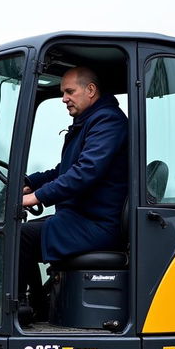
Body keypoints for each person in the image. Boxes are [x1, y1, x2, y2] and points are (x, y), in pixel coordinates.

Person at [19, 66, 128, 317]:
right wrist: (29, 182)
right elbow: (65, 169)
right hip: (81, 217)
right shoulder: (89, 122)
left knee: (22, 237)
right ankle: (36, 304)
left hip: (98, 223)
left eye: (70, 91)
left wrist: (36, 198)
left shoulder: (108, 122)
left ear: (90, 90)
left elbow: (85, 172)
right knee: (19, 233)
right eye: (62, 93)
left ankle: (27, 308)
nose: (64, 98)